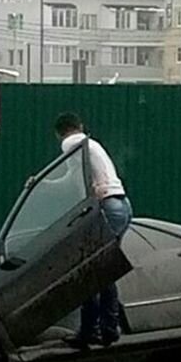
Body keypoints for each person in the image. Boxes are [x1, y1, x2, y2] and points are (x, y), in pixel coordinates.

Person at [53, 112, 133, 348]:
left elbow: (74, 181)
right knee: (102, 271)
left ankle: (91, 331)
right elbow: (73, 176)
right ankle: (108, 329)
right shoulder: (92, 144)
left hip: (107, 206)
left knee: (88, 272)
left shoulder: (72, 142)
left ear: (60, 132)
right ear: (80, 125)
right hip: (121, 204)